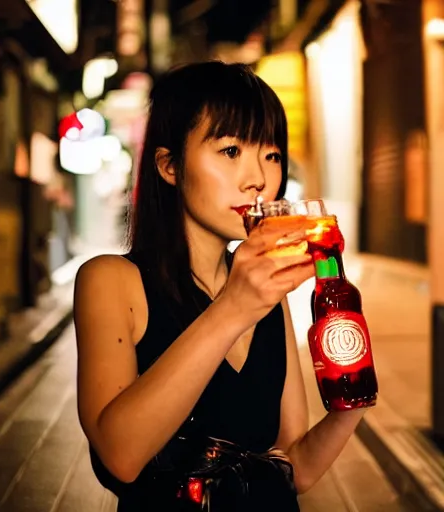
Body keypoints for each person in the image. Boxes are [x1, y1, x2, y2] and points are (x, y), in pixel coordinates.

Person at [74, 61, 368, 511]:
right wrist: (234, 307)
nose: (258, 179)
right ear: (169, 165)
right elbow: (121, 456)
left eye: (271, 155)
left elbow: (297, 468)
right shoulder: (110, 281)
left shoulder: (266, 294)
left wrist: (353, 397)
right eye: (231, 151)